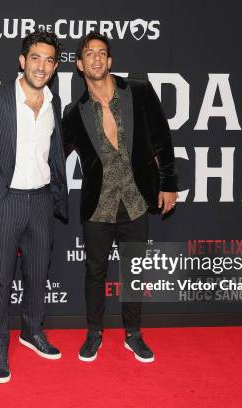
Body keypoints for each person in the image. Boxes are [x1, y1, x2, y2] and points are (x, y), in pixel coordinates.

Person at [62, 31, 178, 363]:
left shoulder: (138, 91)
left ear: (109, 61)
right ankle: (94, 333)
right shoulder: (74, 113)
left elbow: (162, 138)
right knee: (95, 272)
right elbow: (53, 153)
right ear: (80, 65)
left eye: (101, 53)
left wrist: (169, 182)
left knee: (134, 270)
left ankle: (133, 335)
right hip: (97, 205)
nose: (96, 58)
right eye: (88, 54)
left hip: (137, 199)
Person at [0, 30, 68, 383]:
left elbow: (53, 153)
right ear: (22, 61)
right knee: (0, 281)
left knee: (38, 276)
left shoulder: (54, 103)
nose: (42, 66)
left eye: (49, 60)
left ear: (54, 66)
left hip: (39, 200)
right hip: (3, 201)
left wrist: (55, 194)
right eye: (35, 58)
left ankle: (32, 332)